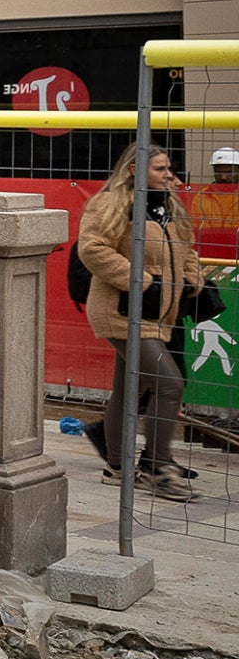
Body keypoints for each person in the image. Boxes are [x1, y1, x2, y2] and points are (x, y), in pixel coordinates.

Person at [78, 144, 205, 500]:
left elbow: (187, 250)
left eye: (169, 168)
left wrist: (191, 279)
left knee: (129, 389)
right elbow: (91, 248)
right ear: (134, 169)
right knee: (169, 384)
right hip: (120, 310)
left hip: (156, 314)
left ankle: (116, 466)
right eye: (161, 169)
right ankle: (158, 467)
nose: (169, 175)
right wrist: (141, 280)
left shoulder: (170, 207)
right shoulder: (111, 203)